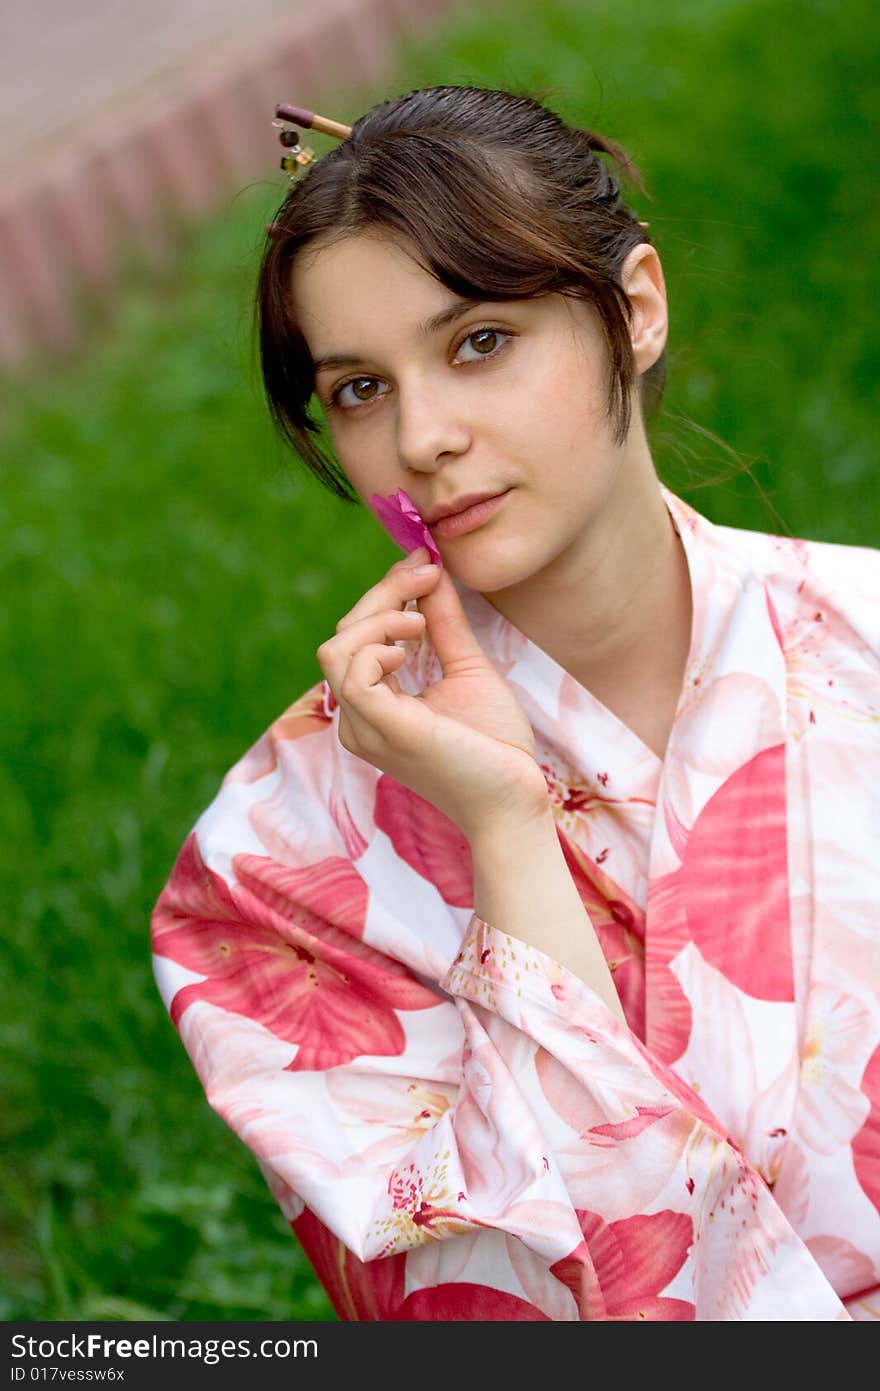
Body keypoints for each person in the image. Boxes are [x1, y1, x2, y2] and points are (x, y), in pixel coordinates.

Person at [150, 84, 880, 1320]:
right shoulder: (270, 868)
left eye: (477, 341)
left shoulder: (861, 638)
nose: (422, 436)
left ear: (633, 310)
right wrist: (505, 829)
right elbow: (503, 1307)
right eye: (359, 391)